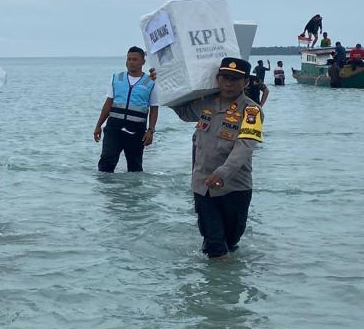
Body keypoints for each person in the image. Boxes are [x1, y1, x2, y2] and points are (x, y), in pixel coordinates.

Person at [170, 58, 263, 259]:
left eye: (235, 79)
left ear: (246, 82)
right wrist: (164, 83)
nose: (228, 83)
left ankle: (228, 283)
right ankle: (215, 286)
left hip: (235, 187)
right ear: (217, 79)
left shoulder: (252, 111)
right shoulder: (206, 103)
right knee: (214, 245)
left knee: (231, 242)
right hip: (203, 186)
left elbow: (244, 146)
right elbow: (183, 112)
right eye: (225, 78)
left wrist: (223, 173)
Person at [93, 46, 159, 172]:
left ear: (143, 62)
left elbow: (154, 109)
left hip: (136, 130)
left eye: (135, 59)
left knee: (135, 167)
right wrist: (98, 125)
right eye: (129, 59)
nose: (131, 62)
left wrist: (150, 131)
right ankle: (105, 191)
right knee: (106, 163)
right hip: (114, 128)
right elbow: (108, 104)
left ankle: (133, 192)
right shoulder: (117, 79)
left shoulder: (150, 83)